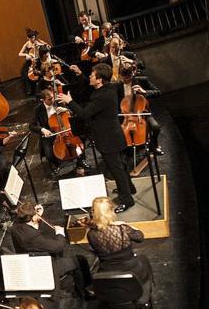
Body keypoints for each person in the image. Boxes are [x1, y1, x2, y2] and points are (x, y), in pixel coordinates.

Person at [57, 63, 136, 212]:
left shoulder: (103, 96)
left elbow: (84, 114)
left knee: (116, 169)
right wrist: (80, 74)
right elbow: (88, 86)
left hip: (108, 138)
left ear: (99, 80)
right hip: (113, 135)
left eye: (92, 76)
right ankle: (129, 188)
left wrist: (70, 102)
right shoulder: (107, 88)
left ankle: (127, 200)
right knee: (120, 165)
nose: (90, 78)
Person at [10, 201, 92, 299]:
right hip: (42, 266)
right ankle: (82, 293)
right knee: (80, 260)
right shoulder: (32, 236)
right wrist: (60, 233)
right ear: (33, 217)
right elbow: (58, 246)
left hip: (28, 258)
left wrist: (37, 215)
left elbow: (30, 225)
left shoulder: (15, 226)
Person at [85, 196, 153, 304]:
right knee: (143, 260)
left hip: (107, 274)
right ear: (111, 211)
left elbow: (96, 246)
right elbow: (140, 237)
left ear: (93, 213)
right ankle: (145, 292)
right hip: (132, 270)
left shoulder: (91, 234)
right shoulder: (123, 228)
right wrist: (126, 224)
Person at [29, 89, 90, 175]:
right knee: (48, 153)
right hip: (50, 133)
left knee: (80, 140)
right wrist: (42, 129)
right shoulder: (38, 109)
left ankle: (81, 161)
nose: (52, 100)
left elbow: (73, 113)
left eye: (53, 98)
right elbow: (31, 126)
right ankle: (56, 165)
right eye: (49, 100)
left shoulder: (59, 103)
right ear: (42, 100)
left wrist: (66, 110)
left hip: (65, 129)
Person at [116, 64, 164, 155]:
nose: (125, 81)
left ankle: (153, 146)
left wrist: (144, 91)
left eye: (128, 78)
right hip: (124, 115)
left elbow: (158, 92)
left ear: (132, 74)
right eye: (123, 78)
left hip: (141, 113)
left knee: (156, 127)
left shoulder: (142, 80)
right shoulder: (117, 85)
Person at [18, 28, 49, 96]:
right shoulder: (27, 44)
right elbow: (19, 53)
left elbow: (47, 46)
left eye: (33, 37)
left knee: (43, 71)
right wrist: (26, 54)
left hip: (39, 60)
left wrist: (41, 45)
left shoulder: (38, 41)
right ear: (27, 38)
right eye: (31, 38)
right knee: (27, 74)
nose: (32, 39)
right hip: (31, 62)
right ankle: (30, 90)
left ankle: (43, 86)